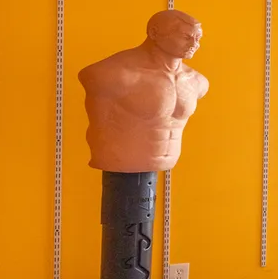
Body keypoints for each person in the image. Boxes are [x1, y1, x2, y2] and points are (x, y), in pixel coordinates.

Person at [78, 9, 209, 173]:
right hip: (118, 164)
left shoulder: (197, 81)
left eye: (198, 38)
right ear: (154, 33)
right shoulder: (114, 74)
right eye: (186, 37)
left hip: (164, 165)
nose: (194, 45)